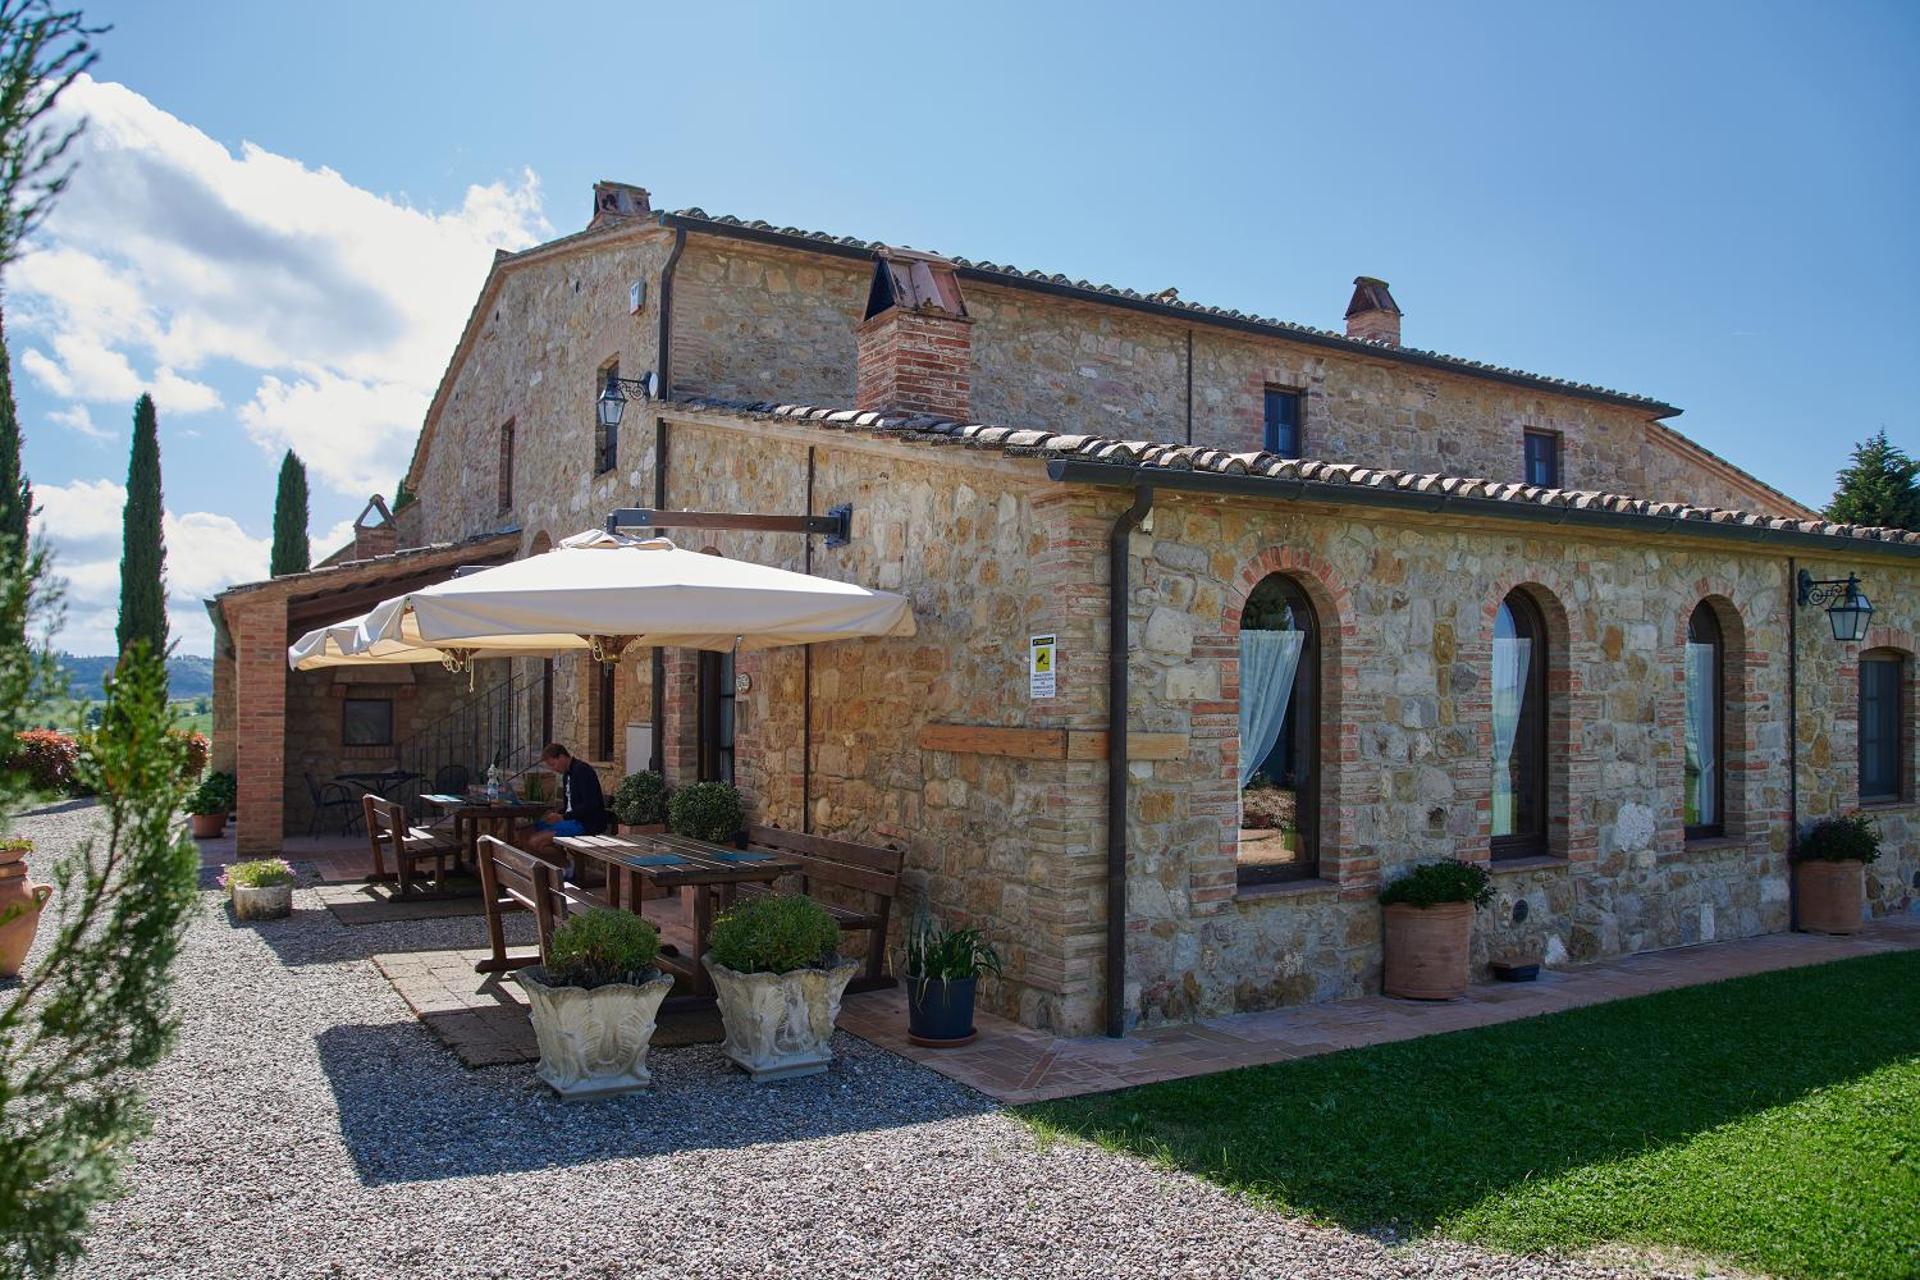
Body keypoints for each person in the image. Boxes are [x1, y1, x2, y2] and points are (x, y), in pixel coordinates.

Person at [523, 742, 608, 860]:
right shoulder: (566, 775)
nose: (554, 769)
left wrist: (563, 817)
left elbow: (590, 804)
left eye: (553, 764)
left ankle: (564, 867)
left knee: (535, 842)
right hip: (571, 820)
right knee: (525, 832)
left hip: (585, 823)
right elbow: (569, 805)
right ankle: (559, 866)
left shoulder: (582, 771)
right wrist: (557, 814)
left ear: (562, 757)